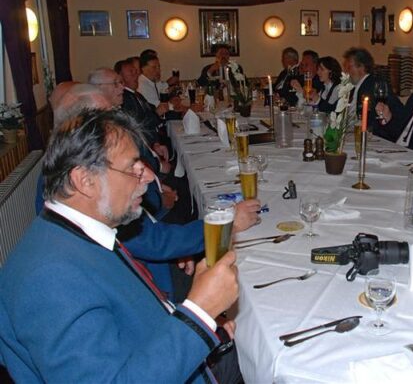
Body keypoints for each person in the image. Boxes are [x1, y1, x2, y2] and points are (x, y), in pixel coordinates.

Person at [1, 109, 242, 382]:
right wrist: (200, 312)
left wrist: (193, 318)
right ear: (85, 181)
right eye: (133, 168)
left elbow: (126, 315)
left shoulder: (77, 232)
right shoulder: (49, 279)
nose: (148, 178)